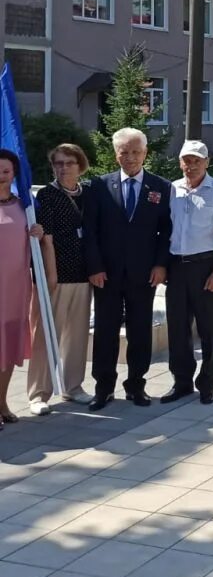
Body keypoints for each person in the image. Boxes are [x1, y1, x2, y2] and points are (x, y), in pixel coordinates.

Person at [85, 128, 172, 411]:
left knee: (140, 332)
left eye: (136, 152)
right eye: (125, 151)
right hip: (106, 275)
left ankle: (136, 385)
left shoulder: (161, 187)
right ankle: (103, 388)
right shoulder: (98, 186)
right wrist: (95, 267)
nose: (130, 157)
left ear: (145, 153)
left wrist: (160, 265)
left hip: (144, 274)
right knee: (105, 332)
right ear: (116, 153)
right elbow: (91, 231)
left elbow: (165, 231)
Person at [163, 140, 213, 405]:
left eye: (196, 160)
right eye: (186, 160)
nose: (190, 166)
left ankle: (207, 384)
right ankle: (181, 381)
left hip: (207, 265)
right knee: (178, 328)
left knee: (209, 328)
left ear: (207, 162)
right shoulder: (172, 190)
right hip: (177, 265)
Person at [27, 144, 93, 414]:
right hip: (55, 276)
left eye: (69, 162)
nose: (63, 167)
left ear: (80, 165)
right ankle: (38, 394)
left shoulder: (88, 193)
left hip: (83, 274)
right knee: (44, 335)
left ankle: (72, 387)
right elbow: (47, 241)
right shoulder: (47, 195)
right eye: (58, 163)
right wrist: (50, 276)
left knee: (77, 335)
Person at [0, 149, 43, 427]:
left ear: (14, 173)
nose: (0, 176)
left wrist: (36, 232)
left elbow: (31, 245)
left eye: (5, 171)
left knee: (8, 347)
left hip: (15, 290)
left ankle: (2, 402)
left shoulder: (23, 206)